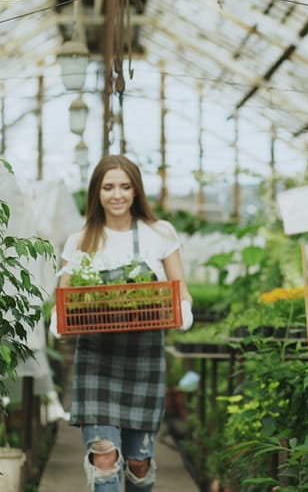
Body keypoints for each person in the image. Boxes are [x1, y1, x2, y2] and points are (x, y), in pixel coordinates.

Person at [58, 155, 193, 492]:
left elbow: (180, 289)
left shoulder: (159, 233)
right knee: (104, 457)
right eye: (108, 187)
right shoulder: (81, 240)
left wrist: (183, 310)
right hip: (96, 359)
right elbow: (64, 295)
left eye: (124, 186)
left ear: (136, 191)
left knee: (138, 462)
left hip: (143, 357)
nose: (116, 195)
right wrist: (58, 320)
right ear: (96, 192)